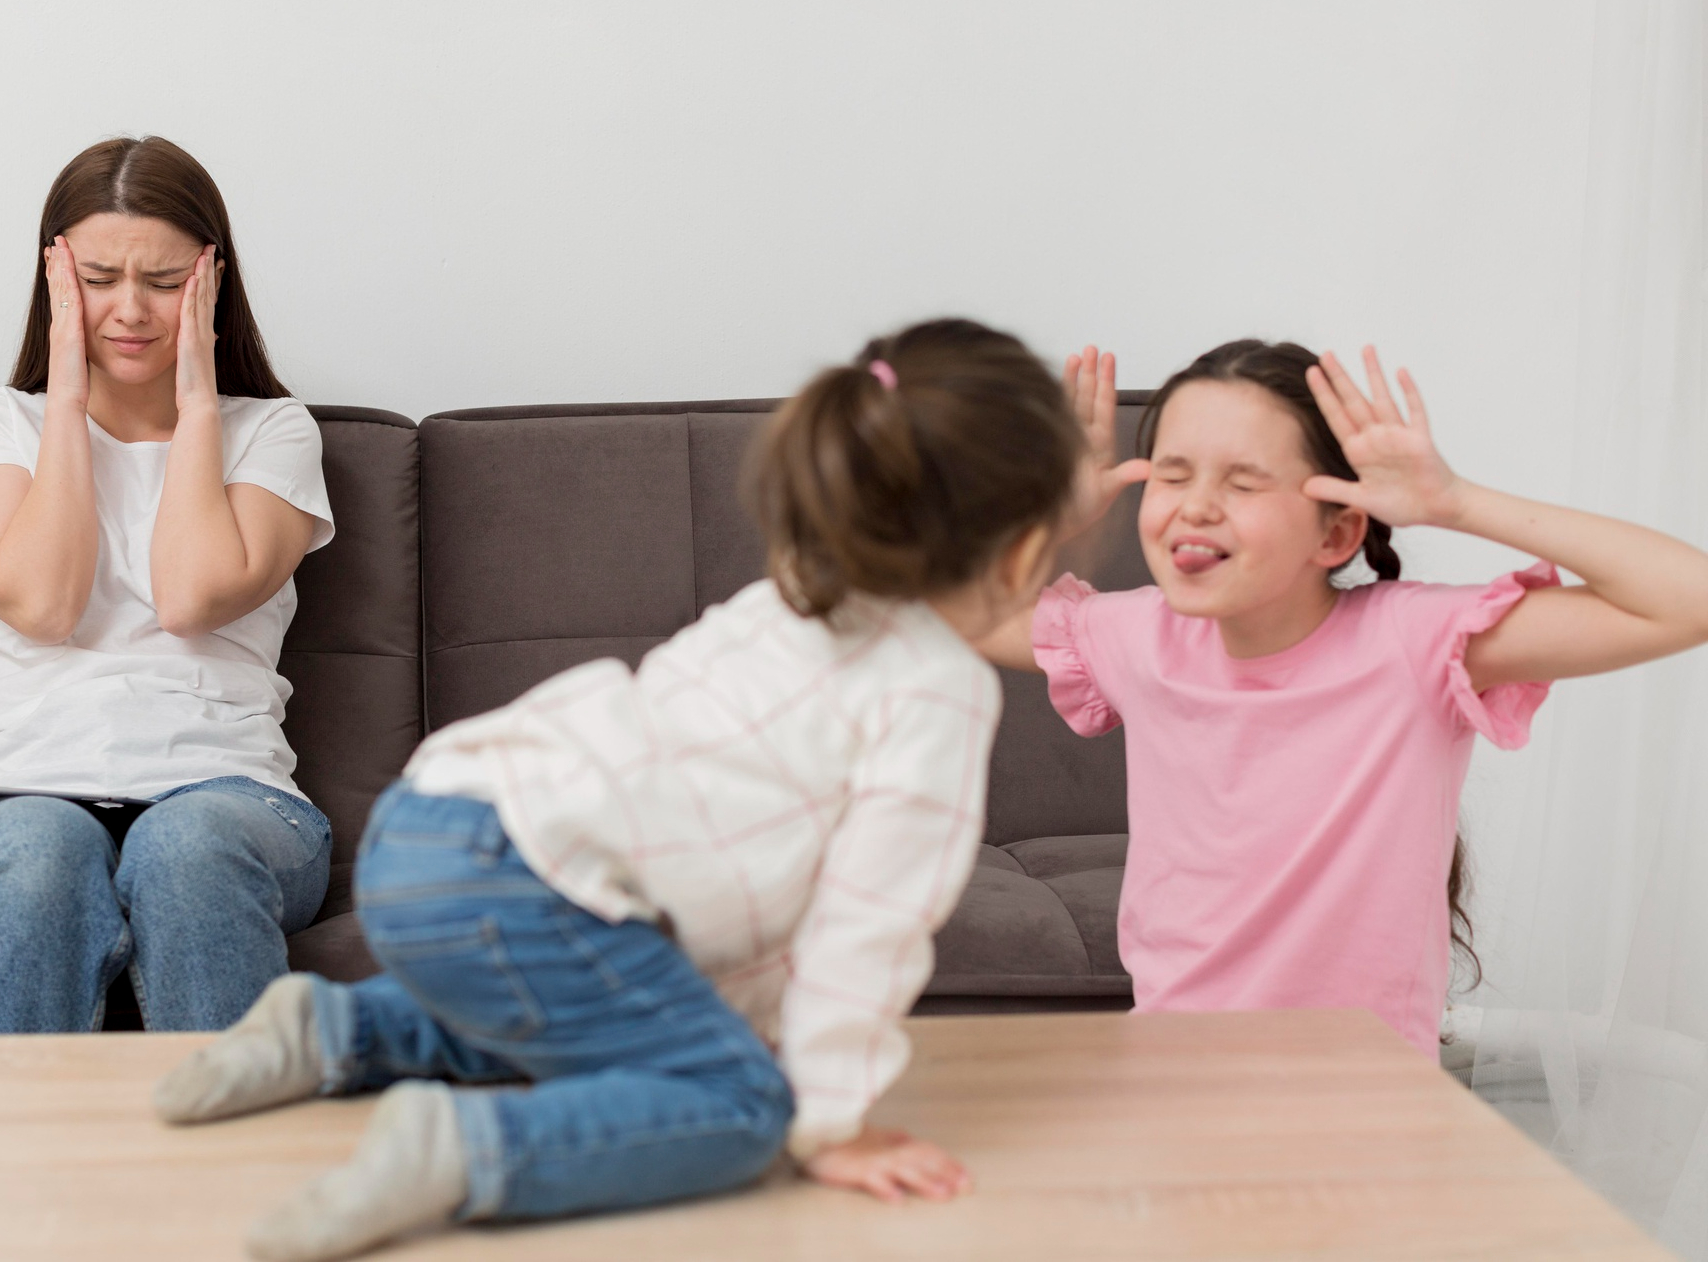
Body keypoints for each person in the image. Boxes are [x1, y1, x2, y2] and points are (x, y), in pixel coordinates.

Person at [151, 318, 1087, 1261]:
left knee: (601, 1019)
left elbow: (740, 909)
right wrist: (831, 1117)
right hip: (530, 880)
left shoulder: (789, 597)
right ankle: (462, 1149)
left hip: (437, 825)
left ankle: (333, 1031)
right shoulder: (937, 690)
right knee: (742, 1105)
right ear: (1020, 552)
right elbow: (867, 925)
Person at [1008, 339, 1708, 1058]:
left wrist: (1457, 501)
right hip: (1178, 1079)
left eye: (1243, 483)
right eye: (1173, 475)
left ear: (1336, 531)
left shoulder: (1412, 641)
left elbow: (1688, 600)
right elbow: (940, 613)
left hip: (1367, 1097)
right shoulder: (1139, 636)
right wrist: (1049, 519)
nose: (1196, 506)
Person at [0, 136, 335, 1035]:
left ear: (213, 279)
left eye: (166, 282)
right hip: (12, 802)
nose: (130, 310)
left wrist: (197, 404)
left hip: (231, 801)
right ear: (54, 276)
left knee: (184, 846)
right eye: (99, 278)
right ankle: (1, 1175)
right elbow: (45, 603)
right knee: (42, 847)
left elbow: (190, 595)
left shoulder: (273, 434)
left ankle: (235, 1173)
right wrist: (64, 394)